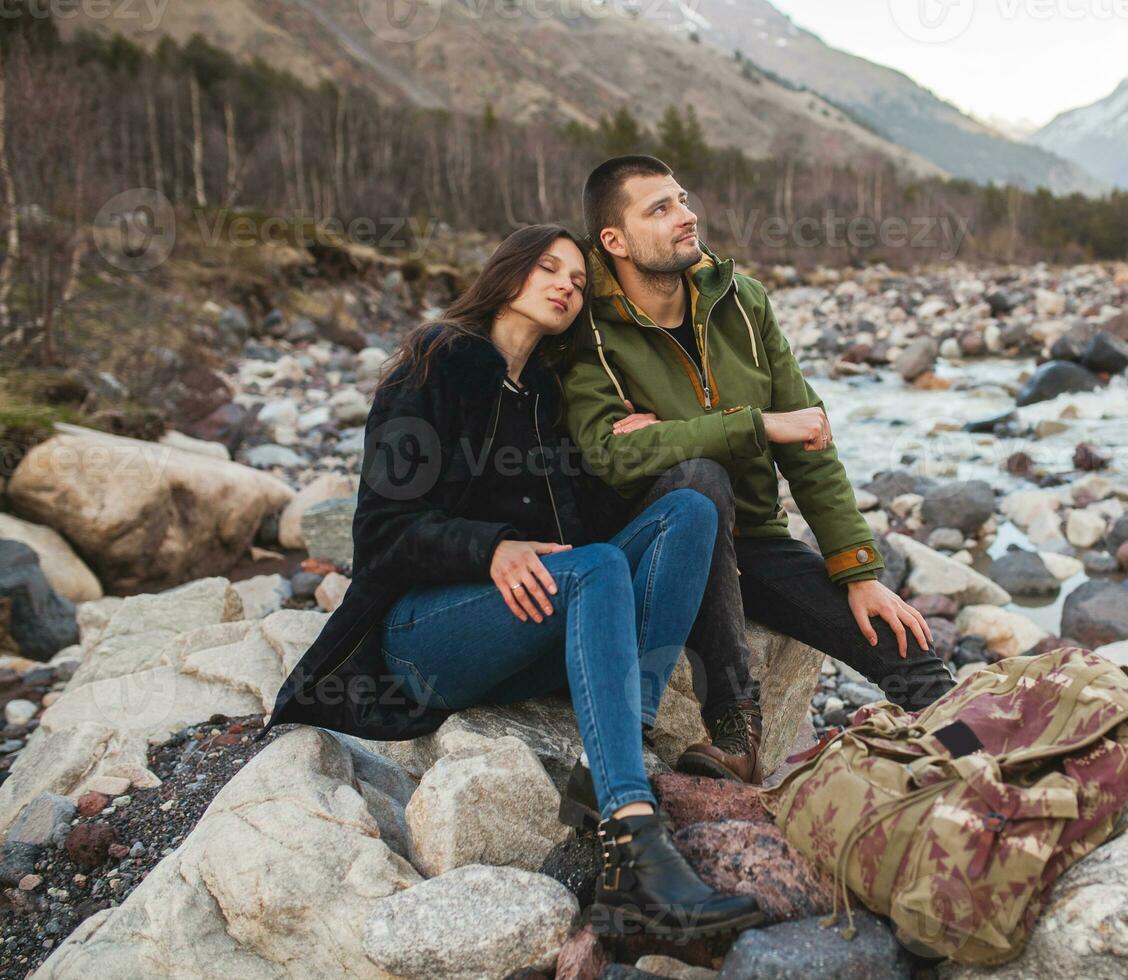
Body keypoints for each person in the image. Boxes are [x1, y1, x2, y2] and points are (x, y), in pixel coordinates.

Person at [264, 225, 762, 940]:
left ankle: (611, 759)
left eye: (578, 280)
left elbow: (584, 527)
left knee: (685, 509)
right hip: (424, 639)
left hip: (526, 629)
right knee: (595, 567)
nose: (566, 283)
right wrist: (490, 549)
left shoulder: (547, 395)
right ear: (507, 274)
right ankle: (634, 844)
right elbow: (380, 531)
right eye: (547, 268)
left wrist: (632, 448)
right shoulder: (433, 363)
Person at [563, 156, 957, 785]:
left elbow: (809, 437)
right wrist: (752, 426)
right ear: (614, 241)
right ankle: (735, 724)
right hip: (656, 545)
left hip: (752, 541)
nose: (687, 216)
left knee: (900, 640)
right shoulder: (587, 327)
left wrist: (856, 565)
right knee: (699, 480)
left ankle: (978, 745)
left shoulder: (740, 301)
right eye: (658, 209)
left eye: (683, 199)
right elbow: (610, 454)